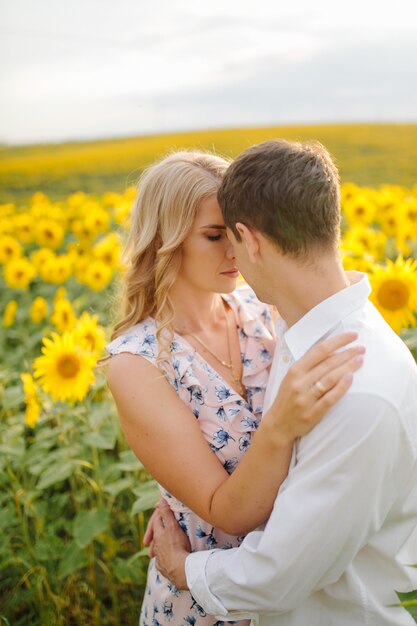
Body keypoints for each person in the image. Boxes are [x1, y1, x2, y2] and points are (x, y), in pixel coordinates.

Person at [151, 140, 417, 626]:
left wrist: (181, 567)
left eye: (229, 239)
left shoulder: (356, 390)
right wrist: (178, 493)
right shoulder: (296, 329)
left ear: (249, 240)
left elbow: (279, 578)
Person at [103, 150, 364, 626]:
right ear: (166, 238)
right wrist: (280, 427)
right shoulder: (138, 364)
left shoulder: (264, 310)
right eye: (213, 235)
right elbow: (226, 512)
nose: (235, 251)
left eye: (238, 232)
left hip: (297, 589)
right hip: (203, 602)